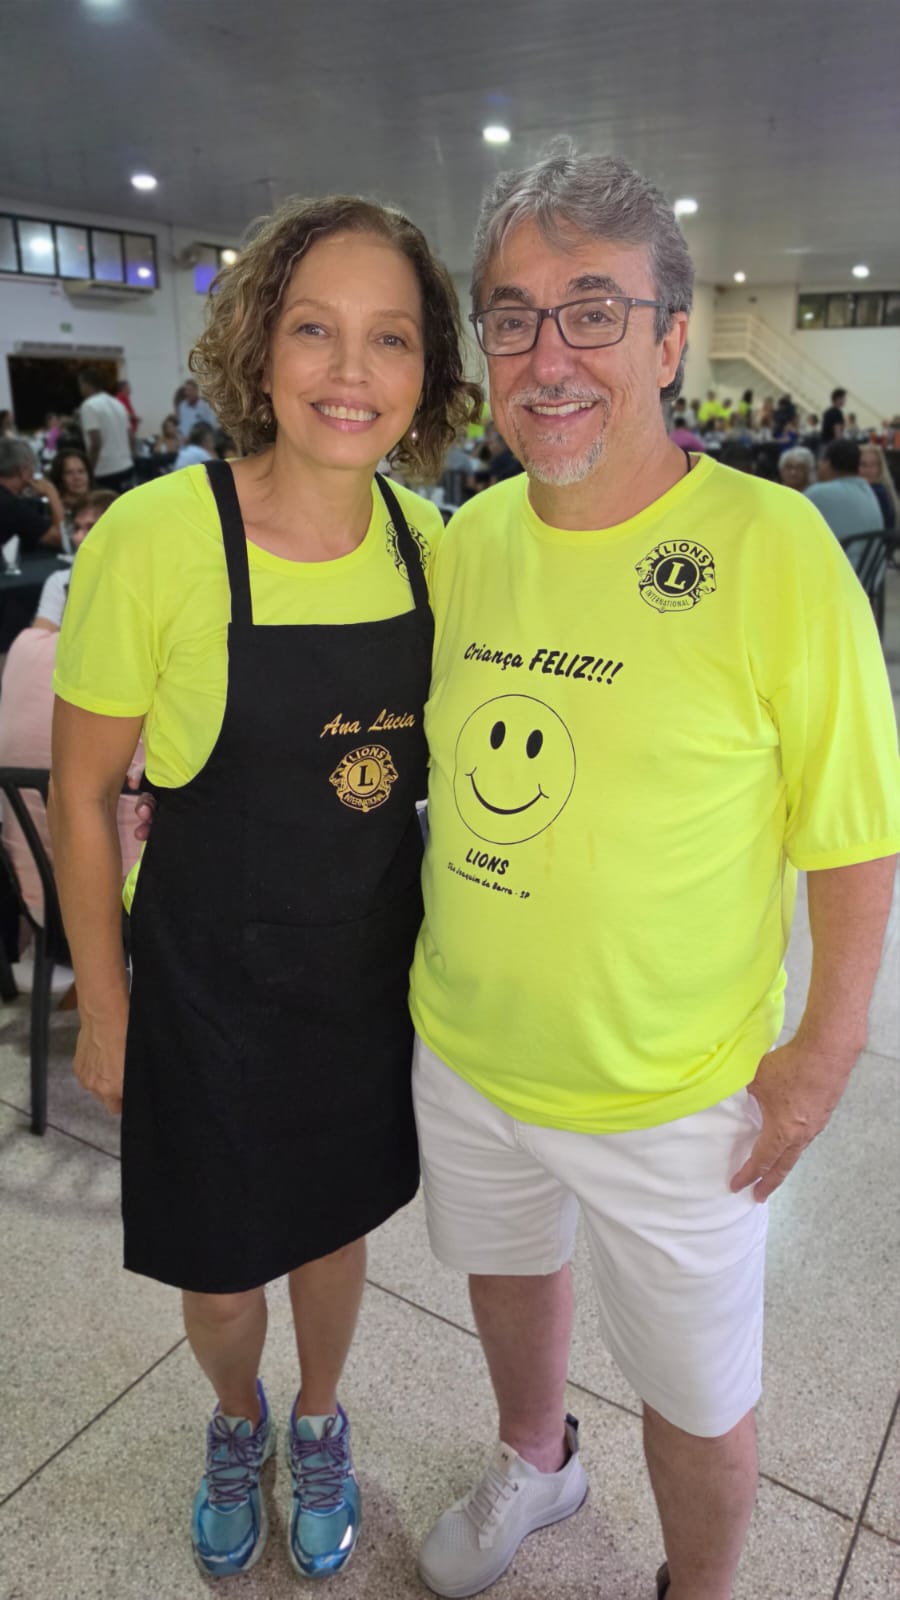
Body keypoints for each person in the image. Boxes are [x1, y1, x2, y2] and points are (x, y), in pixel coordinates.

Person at [409, 143, 900, 1600]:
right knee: (507, 1275)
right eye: (513, 313)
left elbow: (855, 827)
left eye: (595, 310)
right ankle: (538, 1460)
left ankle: (700, 1587)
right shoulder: (470, 541)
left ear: (672, 338)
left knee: (699, 1399)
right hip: (472, 1050)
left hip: (681, 1095)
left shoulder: (771, 548)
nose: (548, 356)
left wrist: (822, 1052)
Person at [49, 193, 480, 1583]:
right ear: (258, 345)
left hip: (362, 979)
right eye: (315, 330)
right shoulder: (158, 538)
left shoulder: (435, 548)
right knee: (224, 1267)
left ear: (426, 373)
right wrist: (102, 1006)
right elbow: (79, 793)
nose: (350, 372)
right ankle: (235, 1418)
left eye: (390, 339)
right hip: (203, 984)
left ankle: (319, 1414)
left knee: (330, 1229)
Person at [0, 491, 139, 929]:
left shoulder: (24, 649)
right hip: (124, 905)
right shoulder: (136, 674)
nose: (82, 536)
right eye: (78, 527)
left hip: (36, 899)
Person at [33, 491, 117, 632]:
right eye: (77, 528)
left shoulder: (143, 580)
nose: (78, 537)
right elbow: (39, 640)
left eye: (91, 528)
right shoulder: (62, 582)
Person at [804, 438, 884, 538]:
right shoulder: (868, 490)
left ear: (827, 463)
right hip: (869, 553)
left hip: (841, 553)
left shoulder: (818, 493)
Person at [0, 437, 64, 552]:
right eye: (32, 466)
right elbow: (58, 538)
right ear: (22, 470)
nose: (34, 471)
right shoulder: (12, 506)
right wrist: (51, 492)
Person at [77, 368, 134, 491]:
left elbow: (96, 442)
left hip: (105, 471)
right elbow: (130, 435)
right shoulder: (118, 403)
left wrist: (89, 470)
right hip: (126, 466)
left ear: (86, 384)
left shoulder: (89, 406)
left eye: (80, 385)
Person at [860, 442, 899, 531]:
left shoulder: (878, 491)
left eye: (873, 465)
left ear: (880, 468)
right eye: (863, 464)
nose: (868, 469)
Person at [176, 377, 217, 441]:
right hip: (185, 442)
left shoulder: (205, 405)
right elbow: (181, 425)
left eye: (190, 390)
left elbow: (212, 425)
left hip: (202, 441)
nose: (188, 393)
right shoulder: (183, 406)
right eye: (186, 390)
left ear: (196, 391)